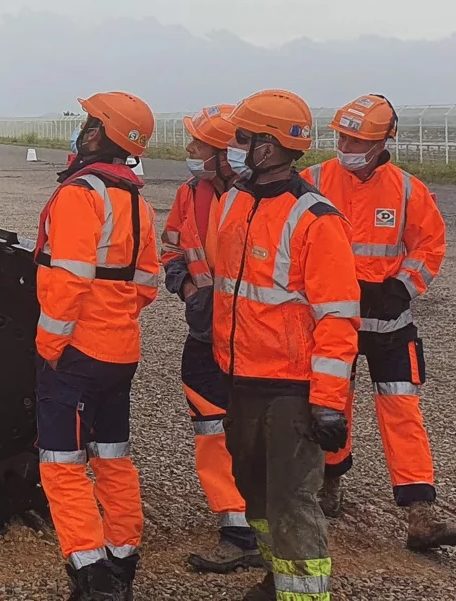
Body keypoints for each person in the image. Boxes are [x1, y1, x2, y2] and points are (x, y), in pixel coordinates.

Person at [201, 89, 359, 601]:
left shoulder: (317, 219)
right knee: (254, 494)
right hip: (240, 379)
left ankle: (306, 594)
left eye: (243, 140)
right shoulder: (234, 202)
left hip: (292, 389)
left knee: (291, 499)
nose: (234, 149)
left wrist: (330, 403)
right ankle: (279, 577)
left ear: (268, 149)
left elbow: (336, 316)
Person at [302, 94, 456, 552]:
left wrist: (400, 289)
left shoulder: (409, 190)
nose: (346, 144)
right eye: (342, 136)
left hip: (391, 327)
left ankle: (420, 512)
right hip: (332, 325)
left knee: (402, 410)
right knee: (334, 406)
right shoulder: (311, 181)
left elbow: (429, 247)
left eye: (357, 138)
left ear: (383, 141)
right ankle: (330, 482)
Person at [33, 92, 161, 601]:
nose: (81, 130)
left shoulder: (80, 195)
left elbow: (67, 281)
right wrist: (115, 315)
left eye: (88, 123)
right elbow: (148, 283)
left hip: (75, 354)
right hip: (120, 350)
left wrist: (49, 345)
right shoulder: (135, 200)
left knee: (62, 464)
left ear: (97, 135)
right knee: (113, 457)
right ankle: (123, 562)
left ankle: (90, 575)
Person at [160, 104, 261, 574]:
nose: (189, 152)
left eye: (198, 144)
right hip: (204, 334)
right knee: (209, 426)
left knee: (260, 430)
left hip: (258, 341)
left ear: (224, 153)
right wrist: (184, 287)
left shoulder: (265, 199)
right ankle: (237, 526)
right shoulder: (189, 193)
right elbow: (172, 247)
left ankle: (269, 524)